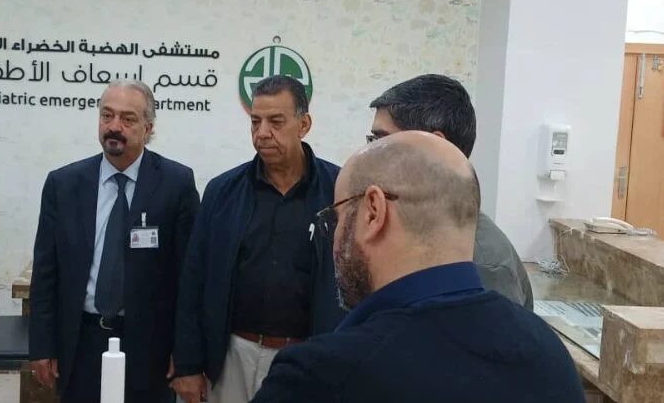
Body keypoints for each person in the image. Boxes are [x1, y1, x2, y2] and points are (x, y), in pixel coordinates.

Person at [250, 131, 587, 403]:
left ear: (373, 212)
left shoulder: (320, 377)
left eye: (336, 218)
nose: (334, 236)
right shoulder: (548, 354)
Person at [171, 75, 345, 403]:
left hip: (307, 360)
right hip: (231, 358)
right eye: (255, 122)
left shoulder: (339, 191)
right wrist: (188, 365)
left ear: (304, 125)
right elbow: (194, 281)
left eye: (276, 122)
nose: (262, 133)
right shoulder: (222, 191)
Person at [28, 80, 201, 403]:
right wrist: (42, 345)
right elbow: (46, 273)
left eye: (127, 119)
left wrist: (186, 352)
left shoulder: (176, 184)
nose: (114, 126)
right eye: (107, 116)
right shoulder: (63, 185)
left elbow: (190, 278)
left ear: (148, 128)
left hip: (150, 349)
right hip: (81, 341)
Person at [368, 74, 533, 309]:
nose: (370, 155)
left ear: (435, 148)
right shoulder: (412, 228)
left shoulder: (482, 267)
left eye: (382, 140)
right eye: (372, 140)